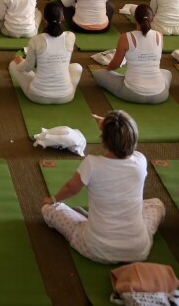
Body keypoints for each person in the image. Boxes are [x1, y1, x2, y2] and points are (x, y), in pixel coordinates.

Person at [41, 110, 165, 264]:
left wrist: (52, 199)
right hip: (137, 249)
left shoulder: (92, 164)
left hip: (96, 249)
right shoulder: (140, 161)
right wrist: (108, 127)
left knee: (49, 209)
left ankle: (79, 217)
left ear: (105, 138)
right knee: (157, 203)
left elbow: (71, 188)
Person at [92, 5, 171, 103]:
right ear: (153, 18)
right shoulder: (159, 35)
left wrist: (106, 70)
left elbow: (115, 64)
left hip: (131, 93)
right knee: (167, 73)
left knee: (98, 75)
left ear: (134, 18)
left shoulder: (126, 37)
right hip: (160, 95)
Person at [9, 2, 82, 104]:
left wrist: (19, 61)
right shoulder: (71, 36)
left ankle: (39, 80)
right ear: (63, 18)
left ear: (45, 19)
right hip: (66, 96)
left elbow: (27, 68)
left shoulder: (36, 40)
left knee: (13, 65)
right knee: (77, 67)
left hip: (37, 96)